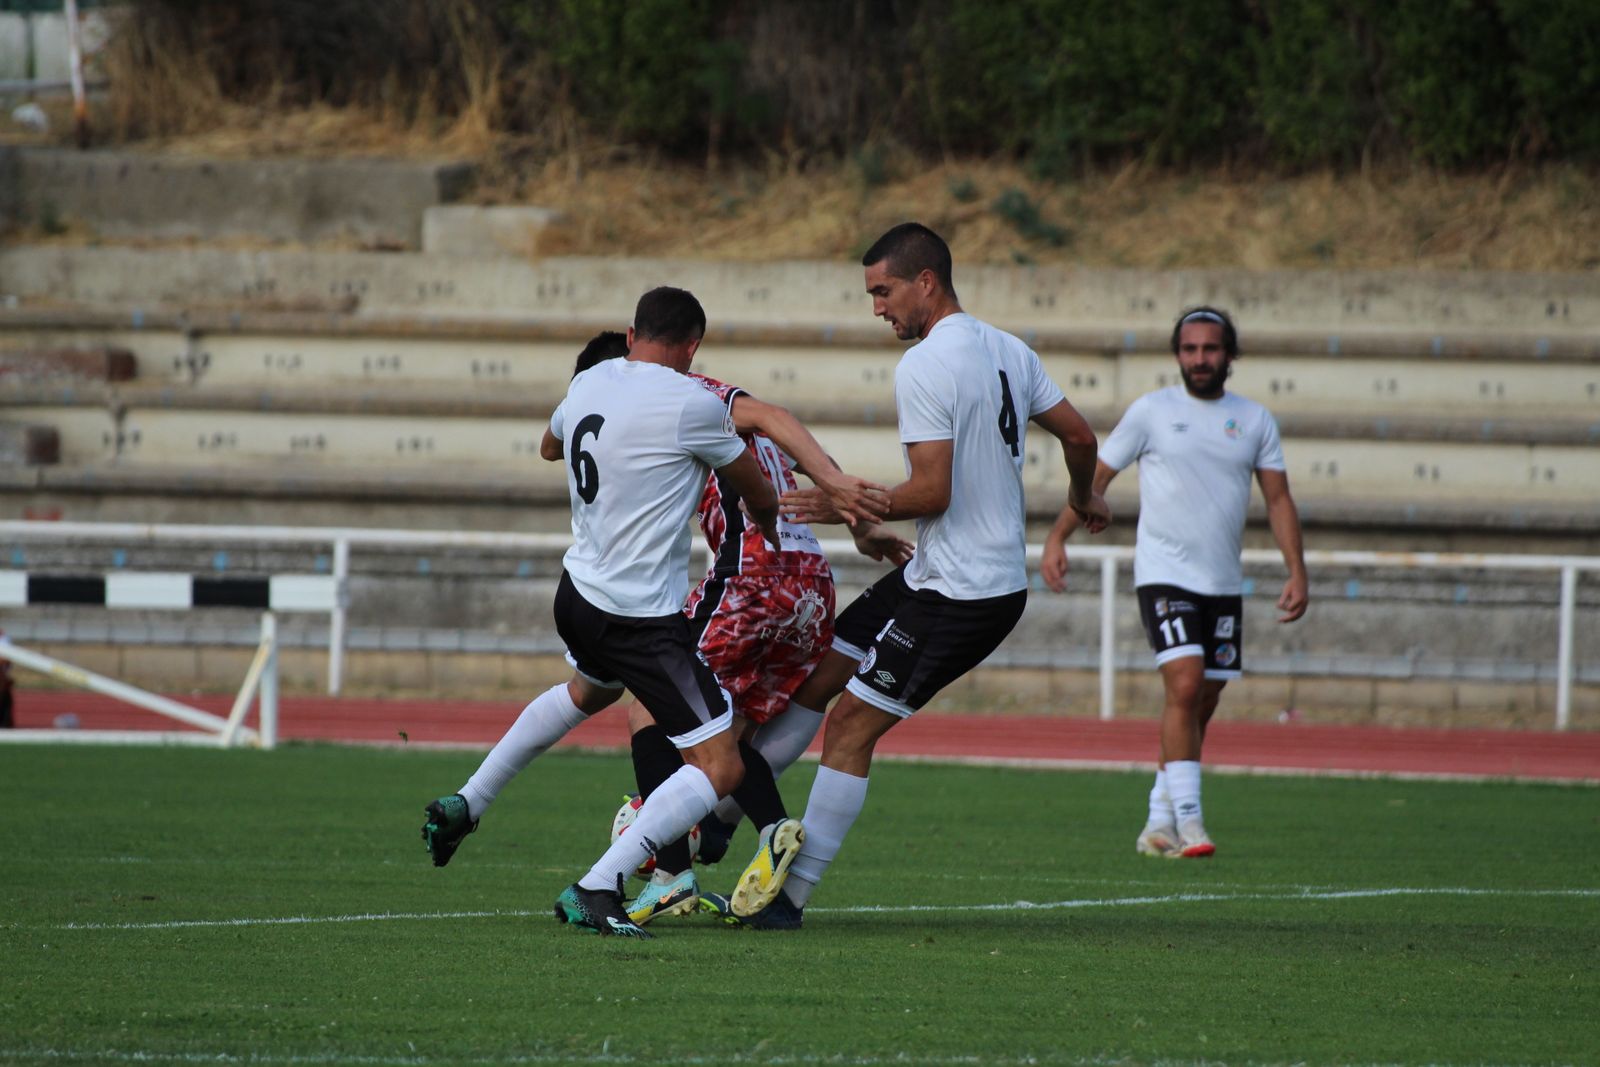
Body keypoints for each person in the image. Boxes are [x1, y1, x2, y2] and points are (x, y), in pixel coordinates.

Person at [722, 222, 1110, 929]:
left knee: (848, 727)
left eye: (883, 290)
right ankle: (723, 816)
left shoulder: (925, 365)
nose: (877, 308)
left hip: (965, 592)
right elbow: (1081, 437)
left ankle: (790, 898)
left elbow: (932, 493)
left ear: (925, 281)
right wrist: (1083, 495)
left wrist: (846, 498)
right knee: (818, 677)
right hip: (941, 572)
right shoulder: (1008, 348)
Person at [419, 287, 794, 939]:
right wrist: (766, 519)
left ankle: (470, 800)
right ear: (693, 347)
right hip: (639, 619)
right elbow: (757, 489)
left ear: (631, 333)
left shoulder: (590, 382)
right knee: (722, 765)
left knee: (586, 691)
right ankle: (599, 884)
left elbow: (548, 445)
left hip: (577, 594)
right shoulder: (692, 403)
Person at [561, 332, 912, 926]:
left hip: (749, 575)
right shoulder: (698, 412)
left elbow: (772, 416)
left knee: (652, 703)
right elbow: (785, 442)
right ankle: (723, 834)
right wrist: (855, 518)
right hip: (810, 588)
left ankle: (677, 870)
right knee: (724, 730)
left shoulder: (683, 397)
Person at [1040, 305, 1308, 859]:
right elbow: (1098, 478)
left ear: (1229, 355)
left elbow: (1278, 498)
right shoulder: (1152, 412)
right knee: (1184, 687)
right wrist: (1058, 536)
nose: (1200, 358)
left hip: (1223, 582)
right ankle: (1191, 824)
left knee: (1201, 703)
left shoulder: (1254, 420)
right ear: (1177, 355)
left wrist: (1296, 569)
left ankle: (1157, 821)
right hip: (1164, 574)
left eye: (1211, 348)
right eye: (1190, 349)